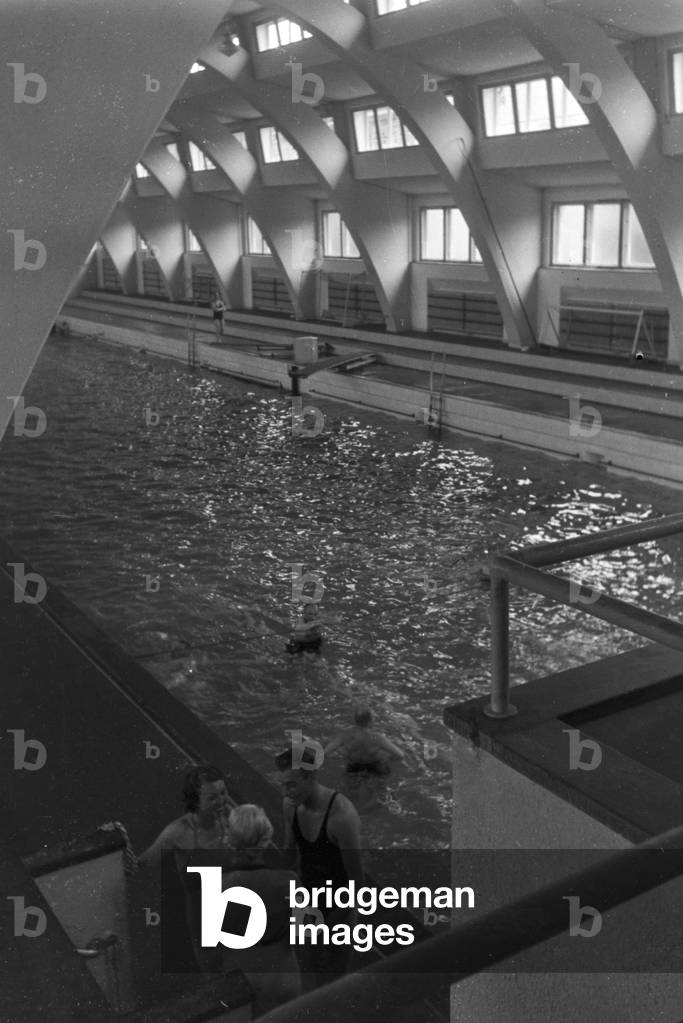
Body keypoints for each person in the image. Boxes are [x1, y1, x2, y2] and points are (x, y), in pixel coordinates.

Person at [275, 743, 362, 989]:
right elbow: (289, 855)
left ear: (311, 776)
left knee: (337, 978)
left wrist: (336, 922)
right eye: (283, 785)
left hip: (341, 905)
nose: (286, 792)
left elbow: (357, 881)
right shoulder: (290, 805)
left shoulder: (342, 816)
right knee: (312, 968)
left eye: (291, 784)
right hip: (309, 899)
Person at [137, 763, 231, 972]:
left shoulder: (231, 819)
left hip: (234, 908)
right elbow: (141, 865)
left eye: (223, 793)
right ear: (195, 801)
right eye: (212, 798)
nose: (221, 802)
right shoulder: (178, 832)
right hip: (203, 917)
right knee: (214, 974)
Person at [220, 805, 302, 1016]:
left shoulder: (221, 888)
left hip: (248, 985)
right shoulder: (290, 881)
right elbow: (304, 932)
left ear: (231, 841)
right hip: (286, 979)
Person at [324, 706, 404, 780]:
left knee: (350, 791)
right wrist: (386, 759)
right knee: (381, 789)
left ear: (355, 720)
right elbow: (400, 755)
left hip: (354, 767)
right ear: (370, 721)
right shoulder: (378, 738)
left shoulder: (344, 736)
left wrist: (341, 756)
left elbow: (324, 753)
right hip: (376, 766)